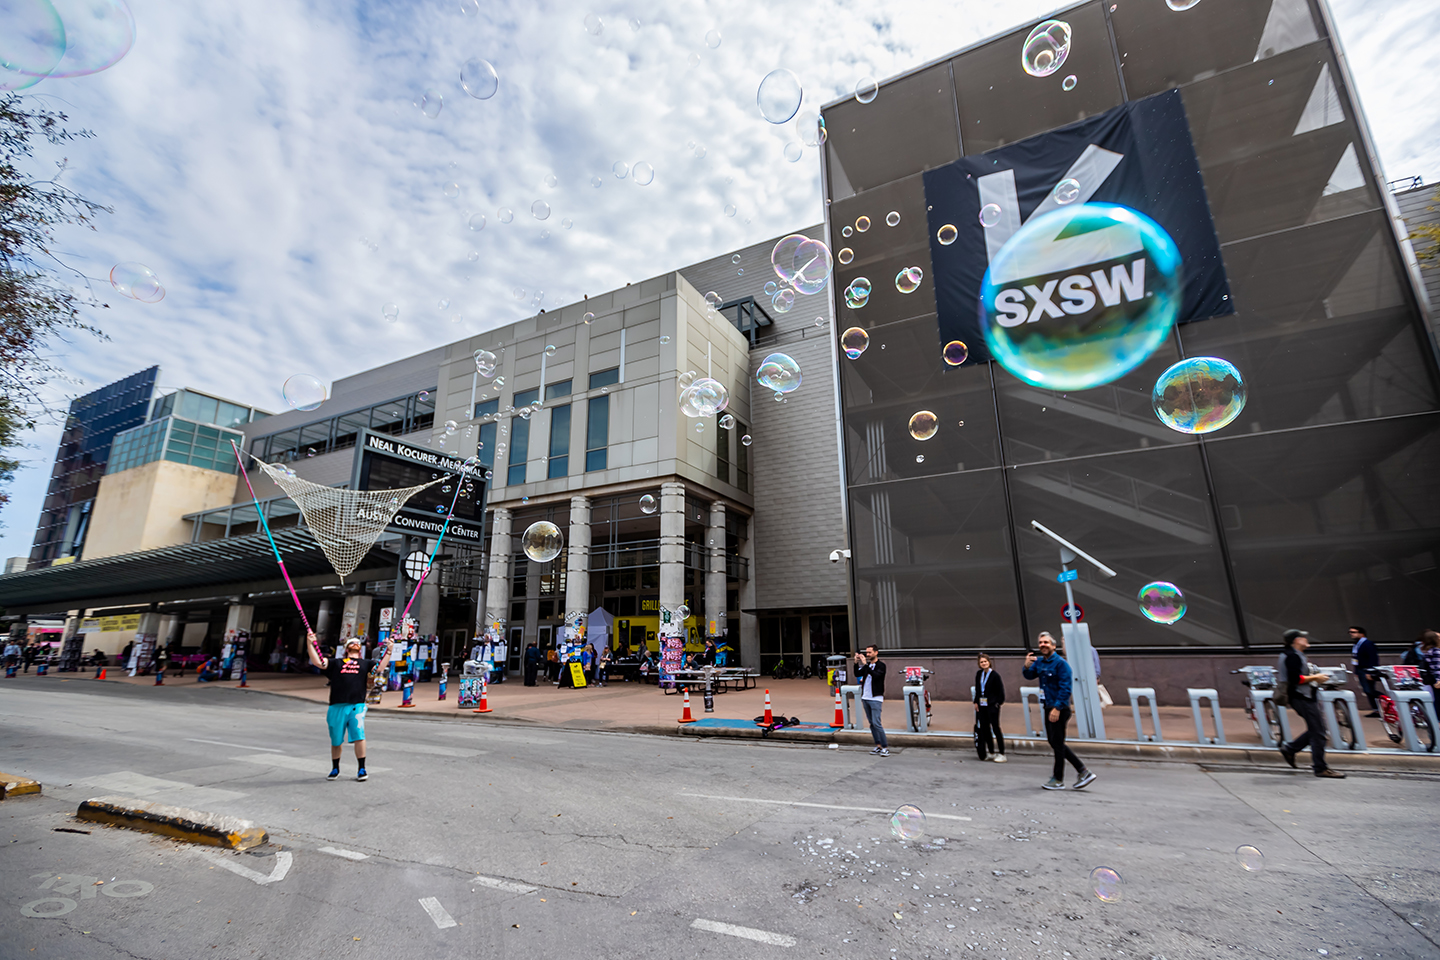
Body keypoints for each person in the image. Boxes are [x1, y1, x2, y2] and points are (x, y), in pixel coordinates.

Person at [307, 633, 390, 782]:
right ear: (346, 648)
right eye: (352, 642)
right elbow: (318, 662)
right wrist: (310, 643)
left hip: (357, 705)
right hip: (336, 705)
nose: (355, 643)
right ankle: (335, 768)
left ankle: (362, 768)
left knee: (359, 735)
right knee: (336, 740)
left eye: (358, 642)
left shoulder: (366, 663)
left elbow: (380, 668)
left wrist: (389, 650)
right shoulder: (336, 663)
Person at [1024, 632, 1095, 790]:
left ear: (1053, 646)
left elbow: (1065, 688)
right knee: (1055, 742)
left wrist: (1057, 708)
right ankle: (1081, 772)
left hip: (1059, 708)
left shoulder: (1061, 664)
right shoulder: (1040, 662)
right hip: (1048, 706)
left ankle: (1061, 778)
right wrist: (1027, 666)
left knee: (1057, 743)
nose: (1043, 645)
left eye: (1046, 642)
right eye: (1041, 642)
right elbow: (1029, 675)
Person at [1277, 629, 1345, 779]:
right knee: (1319, 733)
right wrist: (1316, 677)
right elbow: (1295, 679)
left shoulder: (1294, 654)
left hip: (1304, 697)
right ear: (1296, 640)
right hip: (1301, 697)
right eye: (1303, 637)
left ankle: (1290, 749)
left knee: (1317, 730)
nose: (1306, 639)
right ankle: (1320, 768)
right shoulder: (1292, 656)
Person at [853, 645, 889, 757]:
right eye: (867, 653)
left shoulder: (881, 666)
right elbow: (857, 674)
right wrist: (856, 662)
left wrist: (865, 665)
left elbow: (876, 676)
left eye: (870, 652)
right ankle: (878, 745)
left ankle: (885, 747)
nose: (868, 655)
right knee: (872, 724)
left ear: (876, 652)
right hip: (866, 697)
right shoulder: (867, 666)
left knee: (877, 723)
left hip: (876, 698)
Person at [973, 652, 1007, 762]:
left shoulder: (995, 675)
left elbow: (1000, 691)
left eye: (985, 661)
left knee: (995, 728)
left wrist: (997, 703)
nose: (984, 663)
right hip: (982, 705)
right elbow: (978, 689)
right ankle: (991, 752)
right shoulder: (979, 674)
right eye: (981, 662)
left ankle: (1002, 753)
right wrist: (976, 702)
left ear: (989, 662)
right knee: (985, 728)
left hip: (992, 706)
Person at [1348, 625, 1380, 717]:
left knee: (1369, 690)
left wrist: (1370, 672)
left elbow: (1373, 658)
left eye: (1353, 632)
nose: (1351, 634)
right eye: (1350, 632)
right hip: (1360, 669)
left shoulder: (1367, 643)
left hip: (1366, 669)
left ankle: (1387, 701)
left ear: (1361, 634)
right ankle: (1376, 710)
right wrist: (1356, 672)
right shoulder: (1356, 644)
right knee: (1367, 691)